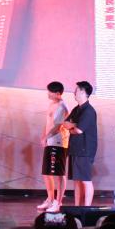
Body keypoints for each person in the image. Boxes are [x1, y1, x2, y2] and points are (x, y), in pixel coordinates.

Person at [62, 81, 98, 206]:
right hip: (75, 148)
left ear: (83, 92)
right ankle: (77, 207)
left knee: (85, 180)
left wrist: (73, 127)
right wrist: (74, 126)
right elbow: (65, 124)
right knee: (77, 180)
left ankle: (87, 208)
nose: (74, 93)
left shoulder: (89, 111)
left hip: (84, 150)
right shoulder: (76, 109)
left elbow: (78, 130)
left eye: (76, 90)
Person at [38, 81, 70, 213]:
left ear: (57, 93)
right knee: (47, 172)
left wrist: (46, 137)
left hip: (59, 143)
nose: (48, 93)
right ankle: (50, 199)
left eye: (50, 91)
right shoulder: (52, 104)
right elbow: (48, 123)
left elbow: (57, 126)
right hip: (50, 141)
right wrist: (43, 136)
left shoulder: (62, 106)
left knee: (58, 173)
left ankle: (58, 201)